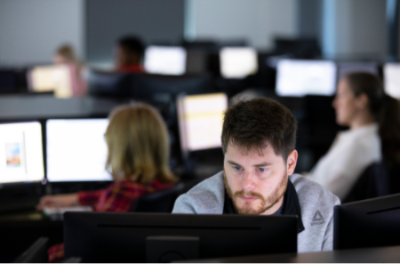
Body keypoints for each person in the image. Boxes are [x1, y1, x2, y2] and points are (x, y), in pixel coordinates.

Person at [173, 97, 340, 253]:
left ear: (290, 164)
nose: (246, 184)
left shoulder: (324, 208)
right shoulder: (193, 211)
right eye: (237, 168)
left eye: (261, 169)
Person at [37, 103, 177, 263]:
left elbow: (84, 246)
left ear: (120, 147)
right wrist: (75, 198)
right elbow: (110, 196)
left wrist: (42, 256)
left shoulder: (121, 192)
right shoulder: (160, 185)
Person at [307, 72, 400, 200]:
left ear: (361, 100)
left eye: (341, 95)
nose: (335, 103)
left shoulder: (360, 145)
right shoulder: (359, 139)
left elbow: (321, 196)